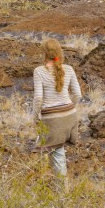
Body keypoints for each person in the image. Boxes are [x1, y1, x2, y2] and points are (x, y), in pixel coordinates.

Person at [32, 38, 82, 177]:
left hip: (52, 119)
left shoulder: (39, 71)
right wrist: (69, 108)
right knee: (53, 150)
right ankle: (53, 182)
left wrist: (36, 116)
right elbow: (78, 94)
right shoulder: (69, 69)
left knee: (56, 153)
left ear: (44, 53)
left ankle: (62, 194)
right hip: (70, 116)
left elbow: (38, 98)